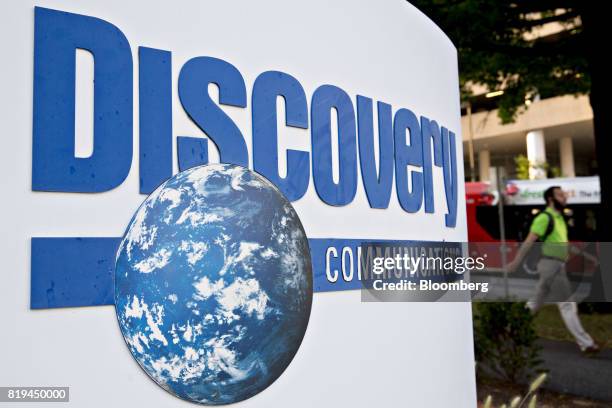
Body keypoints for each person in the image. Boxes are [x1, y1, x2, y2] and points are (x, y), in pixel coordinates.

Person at [507, 186, 599, 355]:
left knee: (535, 302)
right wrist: (516, 262)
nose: (565, 197)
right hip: (551, 265)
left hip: (555, 265)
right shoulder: (544, 218)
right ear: (551, 199)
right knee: (567, 304)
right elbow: (529, 241)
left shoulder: (559, 218)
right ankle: (586, 343)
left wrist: (588, 257)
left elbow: (565, 245)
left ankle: (510, 329)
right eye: (560, 194)